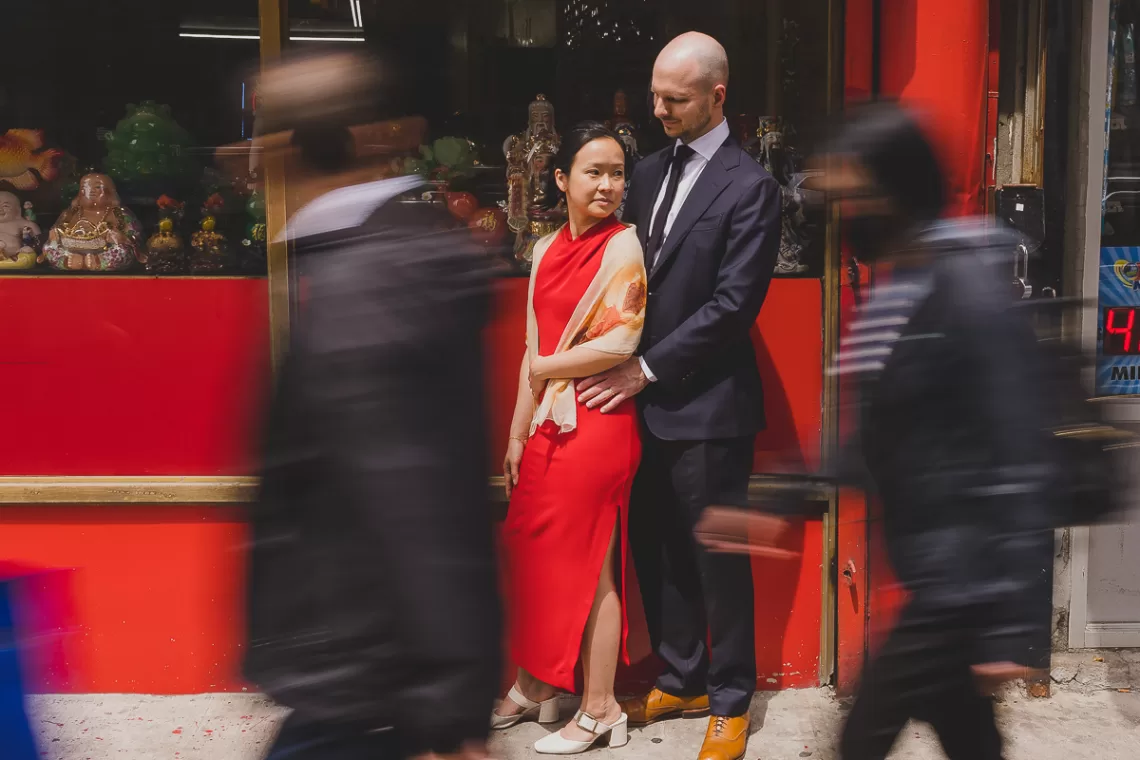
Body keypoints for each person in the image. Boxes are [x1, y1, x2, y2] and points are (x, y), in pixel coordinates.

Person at [243, 51, 500, 760]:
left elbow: (414, 500)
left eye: (269, 135)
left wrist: (445, 709)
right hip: (366, 680)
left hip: (369, 689)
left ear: (295, 148)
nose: (256, 154)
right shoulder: (371, 256)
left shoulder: (371, 279)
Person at [812, 103, 1052, 760]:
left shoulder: (966, 288)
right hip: (934, 570)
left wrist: (1013, 624)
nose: (848, 214)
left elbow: (1019, 447)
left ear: (895, 192)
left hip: (960, 584)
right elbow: (868, 429)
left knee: (860, 740)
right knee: (970, 740)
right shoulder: (904, 283)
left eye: (858, 195)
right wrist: (775, 501)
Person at [575, 32, 782, 760]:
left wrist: (645, 370)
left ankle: (731, 702)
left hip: (709, 407)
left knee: (717, 561)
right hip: (644, 408)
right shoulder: (652, 167)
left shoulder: (752, 186)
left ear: (717, 97)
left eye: (675, 99)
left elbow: (732, 307)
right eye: (656, 94)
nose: (657, 109)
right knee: (656, 551)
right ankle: (685, 674)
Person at [494, 122, 647, 755]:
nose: (608, 184)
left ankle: (602, 707)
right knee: (538, 554)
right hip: (550, 424)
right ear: (561, 180)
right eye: (594, 172)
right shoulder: (543, 248)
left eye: (616, 172)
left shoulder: (623, 247)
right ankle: (537, 683)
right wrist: (516, 428)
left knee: (594, 567)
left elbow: (621, 341)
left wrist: (546, 368)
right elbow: (533, 340)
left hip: (598, 425)